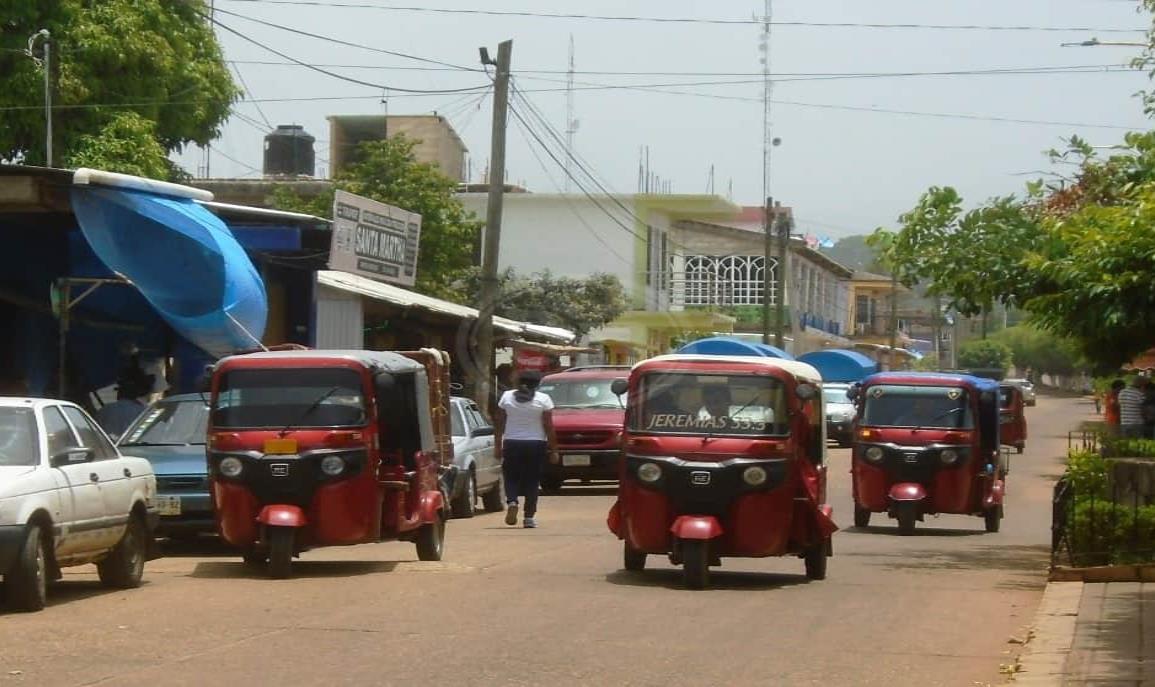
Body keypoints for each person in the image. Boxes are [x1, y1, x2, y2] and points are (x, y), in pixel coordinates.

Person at [495, 370, 558, 529]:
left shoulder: (507, 397)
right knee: (532, 480)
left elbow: (499, 423)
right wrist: (554, 449)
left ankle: (512, 501)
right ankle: (529, 517)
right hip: (536, 444)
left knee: (510, 476)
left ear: (518, 382)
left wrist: (498, 446)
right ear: (537, 384)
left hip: (512, 442)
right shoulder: (543, 399)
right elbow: (549, 426)